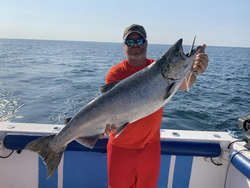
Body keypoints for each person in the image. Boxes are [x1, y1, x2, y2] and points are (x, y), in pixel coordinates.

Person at [104, 24, 209, 188]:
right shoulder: (116, 73)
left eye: (139, 40)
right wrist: (105, 123)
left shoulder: (158, 66)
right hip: (121, 147)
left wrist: (194, 70)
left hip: (150, 146)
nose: (135, 45)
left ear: (146, 43)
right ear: (124, 46)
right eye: (130, 42)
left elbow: (184, 85)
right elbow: (108, 108)